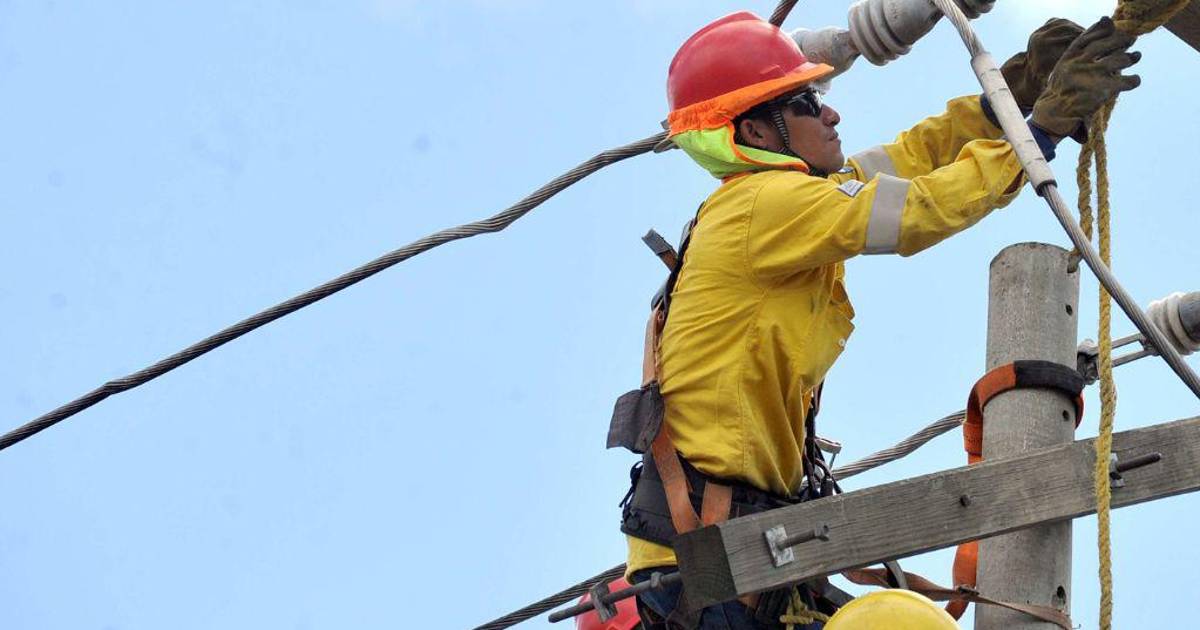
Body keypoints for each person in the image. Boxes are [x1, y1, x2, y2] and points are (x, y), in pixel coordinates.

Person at [617, 10, 1141, 630]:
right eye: (808, 103)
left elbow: (911, 158)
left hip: (727, 559)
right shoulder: (764, 205)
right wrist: (1039, 133)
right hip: (712, 563)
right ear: (755, 130)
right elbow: (916, 208)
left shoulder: (783, 200)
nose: (832, 114)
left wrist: (1012, 97)